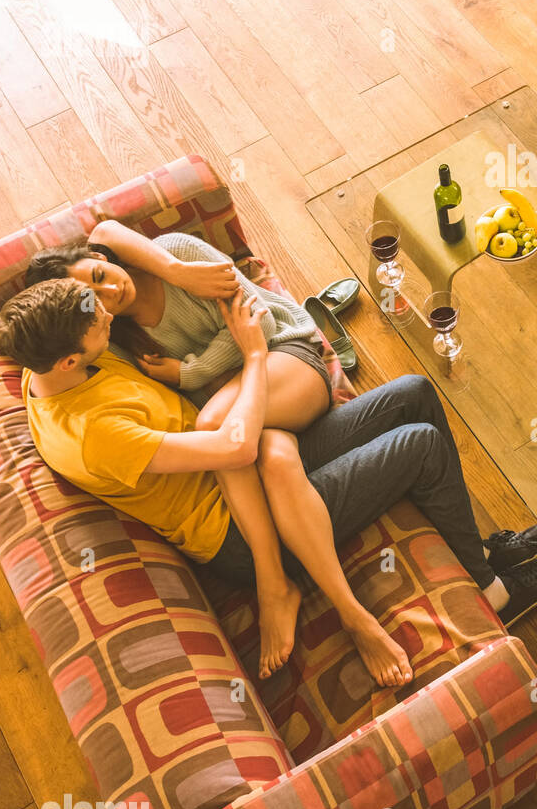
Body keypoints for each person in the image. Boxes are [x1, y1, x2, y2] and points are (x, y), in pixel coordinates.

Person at [0, 272, 537, 691]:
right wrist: (253, 356)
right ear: (68, 360)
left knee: (412, 392)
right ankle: (495, 591)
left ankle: (475, 551)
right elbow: (231, 448)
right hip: (237, 530)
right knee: (419, 444)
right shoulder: (91, 431)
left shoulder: (49, 361)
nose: (107, 316)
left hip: (250, 468)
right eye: (97, 323)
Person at [23, 222, 336, 680]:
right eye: (94, 305)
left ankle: (280, 586)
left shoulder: (173, 255)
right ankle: (314, 599)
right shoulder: (117, 341)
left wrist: (192, 362)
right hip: (245, 412)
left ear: (100, 257)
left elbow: (261, 326)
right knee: (273, 452)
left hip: (278, 358)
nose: (111, 296)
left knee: (222, 427)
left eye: (98, 276)